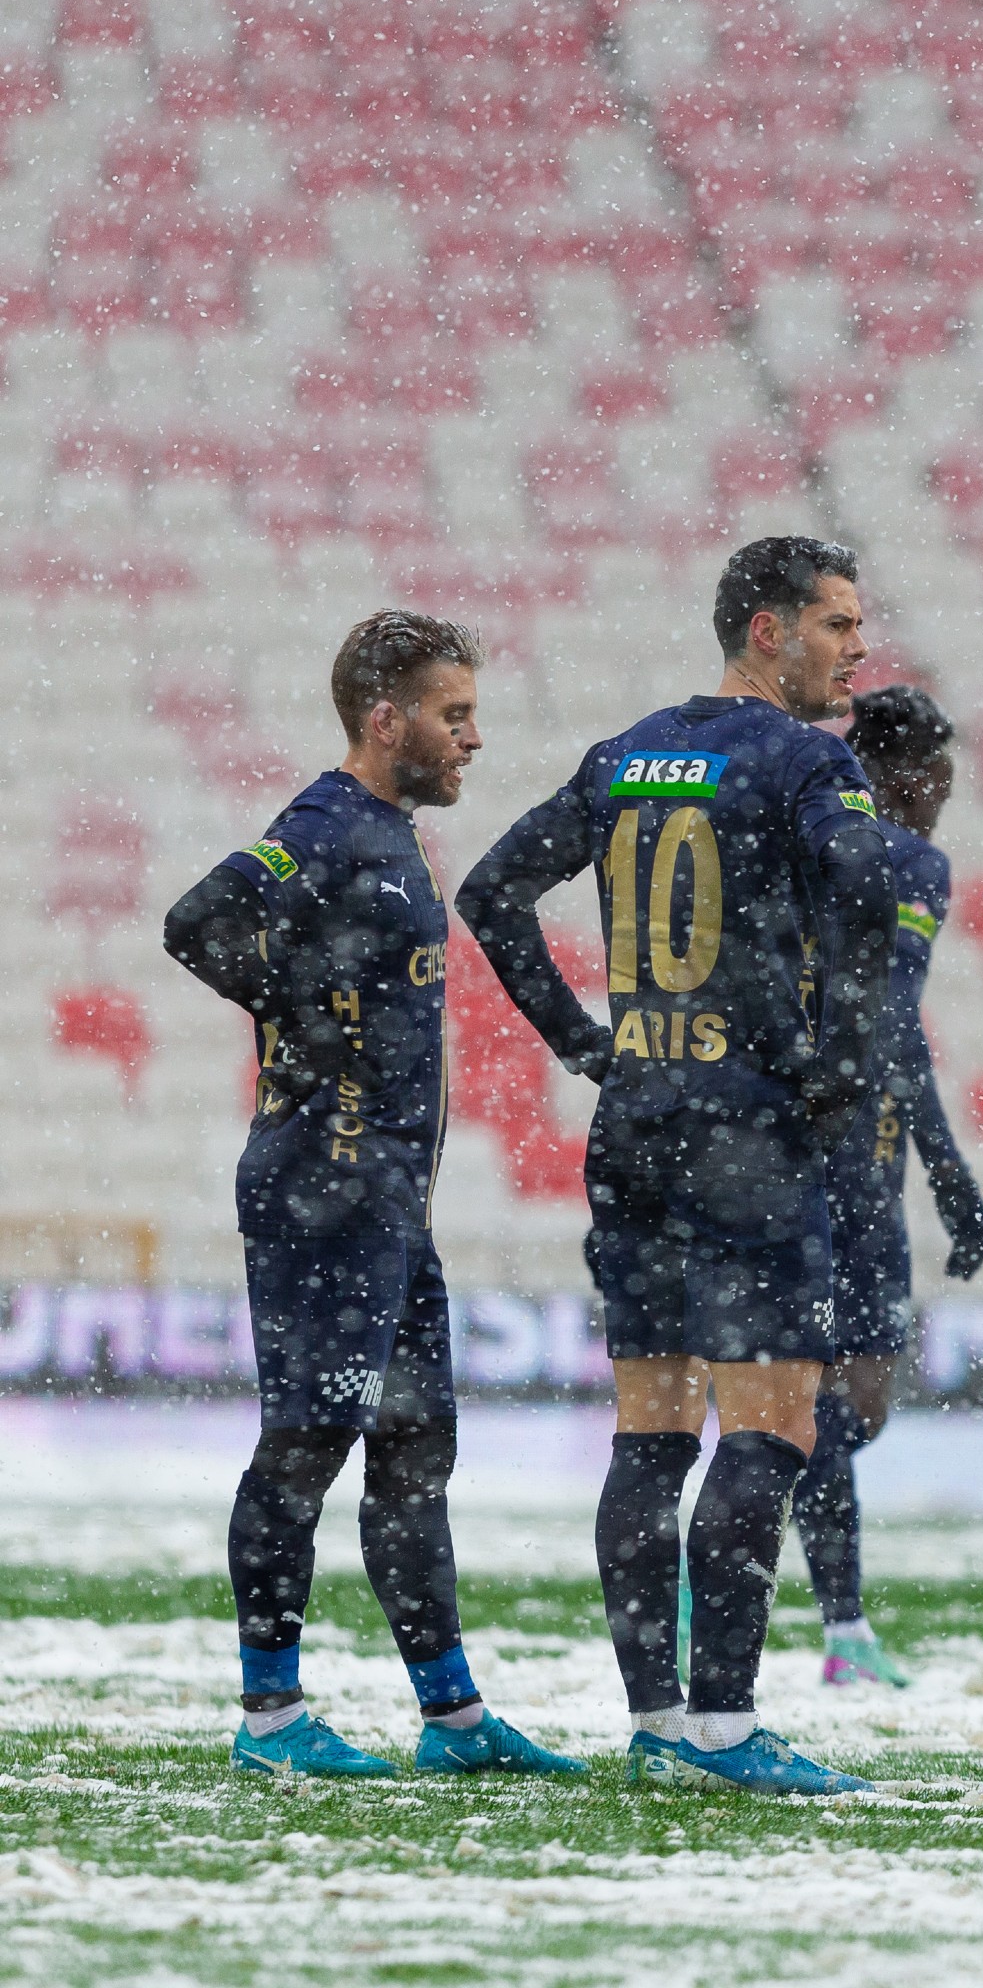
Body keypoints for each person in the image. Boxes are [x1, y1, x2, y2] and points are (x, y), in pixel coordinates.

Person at [456, 537, 896, 1797]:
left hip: (639, 1118)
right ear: (766, 630)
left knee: (650, 1431)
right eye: (835, 625)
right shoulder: (812, 760)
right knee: (772, 1425)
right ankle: (724, 1729)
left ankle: (655, 1720)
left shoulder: (628, 753)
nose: (856, 648)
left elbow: (492, 891)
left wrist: (585, 1044)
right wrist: (833, 1057)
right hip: (748, 1128)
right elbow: (871, 895)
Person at [163, 610, 584, 1782]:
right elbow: (194, 923)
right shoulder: (325, 823)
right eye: (454, 716)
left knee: (414, 1449)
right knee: (305, 1445)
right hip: (323, 1196)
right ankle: (270, 1719)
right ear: (384, 717)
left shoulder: (386, 832)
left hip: (389, 1200)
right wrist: (291, 1015)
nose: (472, 738)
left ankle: (451, 1720)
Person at [792, 685, 983, 1689]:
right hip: (842, 1152)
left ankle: (720, 1522)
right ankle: (844, 1633)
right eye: (937, 763)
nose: (948, 782)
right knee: (834, 1401)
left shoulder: (809, 834)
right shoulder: (905, 859)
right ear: (905, 773)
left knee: (851, 1407)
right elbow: (890, 1022)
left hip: (833, 1142)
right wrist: (950, 1172)